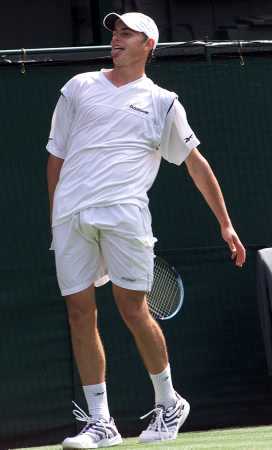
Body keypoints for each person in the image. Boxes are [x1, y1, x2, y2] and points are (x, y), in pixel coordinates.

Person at [46, 11, 246, 449]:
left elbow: (196, 164)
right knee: (80, 313)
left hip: (125, 216)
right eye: (114, 33)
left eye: (126, 34)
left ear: (147, 45)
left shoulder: (162, 101)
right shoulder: (78, 87)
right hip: (71, 217)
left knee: (133, 309)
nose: (116, 40)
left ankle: (168, 401)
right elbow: (56, 157)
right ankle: (101, 422)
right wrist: (55, 215)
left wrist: (226, 224)